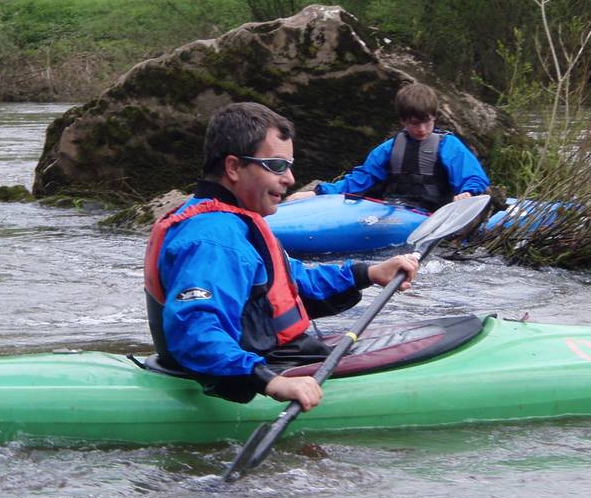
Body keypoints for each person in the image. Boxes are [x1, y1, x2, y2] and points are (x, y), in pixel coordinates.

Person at [144, 101, 419, 412]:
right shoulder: (213, 239)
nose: (289, 178)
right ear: (233, 167)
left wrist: (367, 273)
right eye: (276, 165)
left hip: (264, 354)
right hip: (243, 369)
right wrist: (271, 382)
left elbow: (291, 280)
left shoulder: (235, 219)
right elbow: (196, 331)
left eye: (289, 165)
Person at [285, 83, 489, 212]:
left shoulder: (448, 146)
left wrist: (468, 193)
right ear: (403, 121)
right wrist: (317, 192)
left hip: (433, 213)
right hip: (394, 210)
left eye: (427, 122)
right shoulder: (389, 149)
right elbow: (359, 181)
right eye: (414, 123)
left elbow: (474, 177)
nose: (422, 129)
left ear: (434, 117)